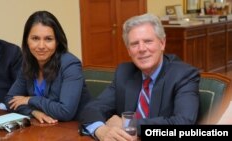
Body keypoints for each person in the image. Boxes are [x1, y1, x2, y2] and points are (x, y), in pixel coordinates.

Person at [79, 13, 200, 141]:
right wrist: (100, 130)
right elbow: (92, 108)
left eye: (148, 41)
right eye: (134, 44)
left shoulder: (184, 75)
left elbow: (183, 124)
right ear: (129, 50)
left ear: (162, 43)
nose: (141, 49)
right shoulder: (124, 72)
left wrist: (128, 124)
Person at [5, 11, 91, 124]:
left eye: (48, 39)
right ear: (27, 41)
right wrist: (33, 112)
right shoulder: (28, 63)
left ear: (57, 42)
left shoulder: (70, 65)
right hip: (46, 128)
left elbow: (65, 112)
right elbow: (10, 100)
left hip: (76, 127)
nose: (41, 46)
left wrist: (30, 100)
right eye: (35, 38)